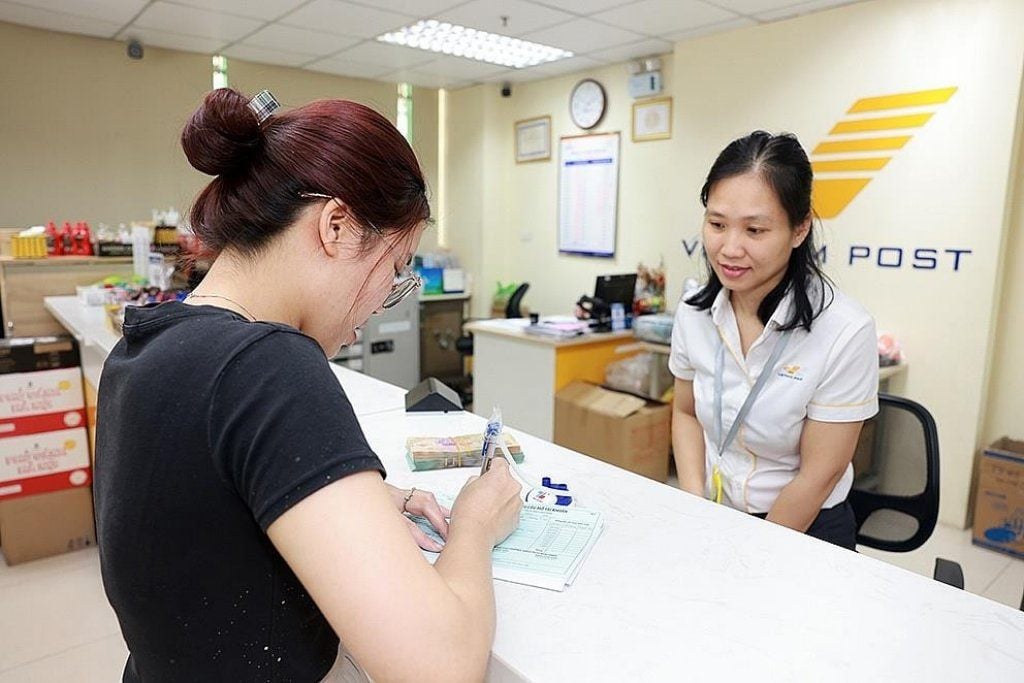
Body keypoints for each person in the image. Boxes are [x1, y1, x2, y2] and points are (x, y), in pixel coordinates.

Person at [95, 88, 522, 682]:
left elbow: (206, 512)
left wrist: (349, 499)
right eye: (395, 270)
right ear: (337, 226)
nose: (383, 302)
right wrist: (476, 522)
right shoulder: (268, 363)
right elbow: (439, 669)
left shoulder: (146, 347)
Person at [669, 131, 878, 550]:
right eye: (717, 224)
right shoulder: (694, 312)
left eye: (755, 230)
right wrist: (694, 507)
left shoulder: (844, 331)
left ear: (800, 229)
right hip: (716, 509)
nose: (730, 248)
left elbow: (819, 475)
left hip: (805, 526)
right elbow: (686, 412)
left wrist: (755, 553)